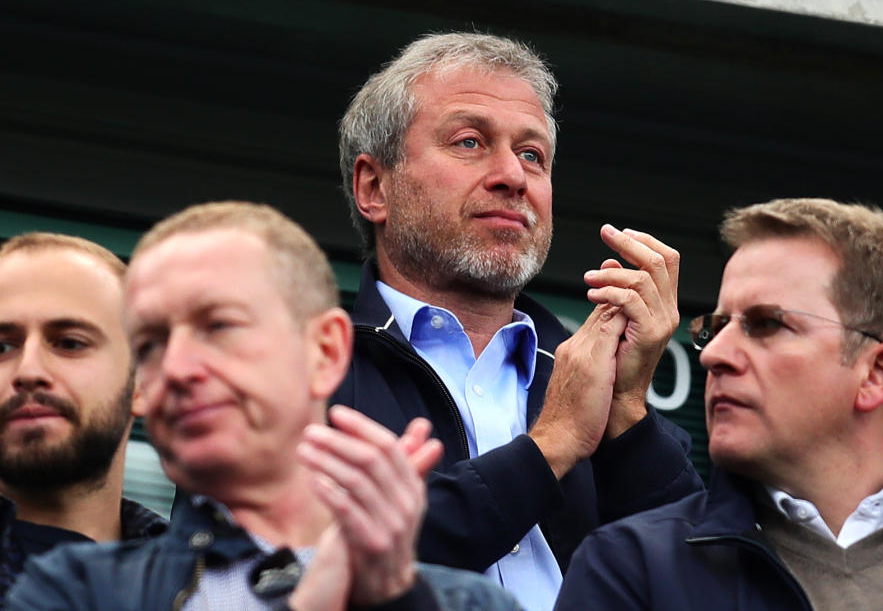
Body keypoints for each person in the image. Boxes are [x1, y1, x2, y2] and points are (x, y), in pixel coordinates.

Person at [334, 31, 702, 610]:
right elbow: (307, 573)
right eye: (469, 142)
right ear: (374, 188)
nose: (513, 176)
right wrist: (551, 445)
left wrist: (627, 415)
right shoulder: (306, 374)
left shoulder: (590, 380)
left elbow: (703, 585)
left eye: (533, 154)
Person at [7, 202, 522, 610]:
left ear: (324, 351)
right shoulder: (76, 590)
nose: (178, 367)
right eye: (150, 344)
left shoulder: (465, 604)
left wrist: (394, 601)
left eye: (219, 327)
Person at [555, 198, 883, 610]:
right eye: (715, 328)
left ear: (877, 373)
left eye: (767, 324)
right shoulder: (629, 566)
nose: (713, 355)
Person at [0, 233, 167, 605]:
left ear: (143, 381)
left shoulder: (214, 586)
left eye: (69, 343)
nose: (28, 370)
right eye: (2, 347)